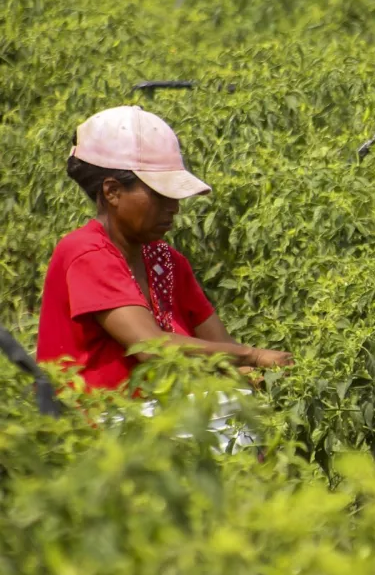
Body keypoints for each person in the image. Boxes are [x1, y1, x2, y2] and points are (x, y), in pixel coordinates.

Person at [37, 106, 293, 391]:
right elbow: (151, 348)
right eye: (160, 195)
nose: (174, 207)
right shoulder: (87, 253)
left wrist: (270, 381)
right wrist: (253, 356)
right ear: (112, 192)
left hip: (164, 418)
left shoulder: (166, 260)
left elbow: (224, 351)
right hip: (98, 424)